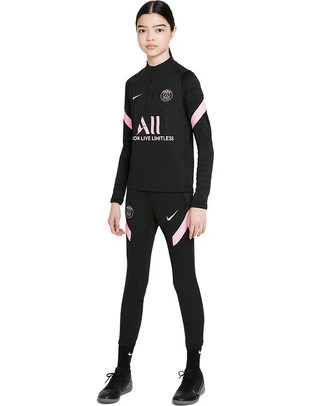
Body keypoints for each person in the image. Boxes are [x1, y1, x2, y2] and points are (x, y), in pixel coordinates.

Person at [97, 1, 214, 404]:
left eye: (159, 29)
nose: (150, 37)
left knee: (184, 281)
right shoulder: (132, 84)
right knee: (135, 281)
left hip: (178, 202)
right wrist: (116, 199)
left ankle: (194, 371)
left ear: (172, 32)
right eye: (143, 29)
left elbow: (206, 145)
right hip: (138, 200)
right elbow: (128, 148)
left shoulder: (185, 81)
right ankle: (123, 371)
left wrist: (200, 201)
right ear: (136, 34)